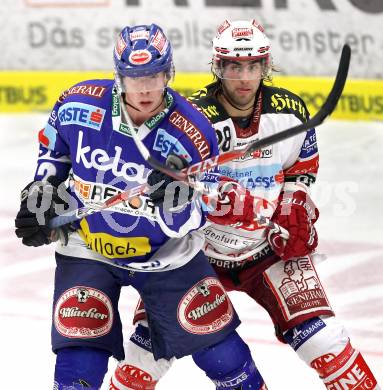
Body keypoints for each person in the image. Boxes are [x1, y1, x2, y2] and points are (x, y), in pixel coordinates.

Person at [110, 20, 380, 389]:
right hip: (196, 257)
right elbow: (161, 184)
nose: (244, 77)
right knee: (142, 360)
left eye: (253, 66)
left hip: (267, 250)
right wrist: (200, 193)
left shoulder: (290, 111)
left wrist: (294, 207)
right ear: (218, 67)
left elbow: (301, 166)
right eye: (234, 66)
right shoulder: (191, 120)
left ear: (264, 66)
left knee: (326, 341)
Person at [14, 23, 269, 389]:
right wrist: (40, 196)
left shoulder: (194, 132)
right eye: (135, 78)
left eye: (154, 75)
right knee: (77, 366)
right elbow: (53, 154)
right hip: (90, 248)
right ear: (118, 77)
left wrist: (179, 204)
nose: (146, 88)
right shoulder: (77, 104)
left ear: (169, 73)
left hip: (167, 255)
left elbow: (205, 210)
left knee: (227, 358)